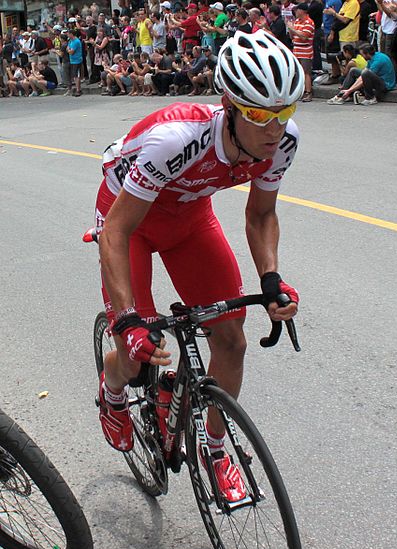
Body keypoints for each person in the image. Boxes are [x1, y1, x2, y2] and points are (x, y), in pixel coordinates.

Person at [94, 30, 303, 502]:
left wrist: (270, 277)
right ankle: (111, 395)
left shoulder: (282, 142)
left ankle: (215, 449)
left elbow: (261, 213)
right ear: (229, 106)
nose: (276, 129)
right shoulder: (177, 140)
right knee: (136, 350)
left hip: (189, 219)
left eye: (287, 112)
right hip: (131, 223)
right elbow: (117, 232)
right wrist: (128, 321)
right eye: (261, 115)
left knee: (231, 339)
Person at [328, 43, 396, 103]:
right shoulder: (372, 57)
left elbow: (364, 78)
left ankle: (370, 98)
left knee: (365, 73)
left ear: (367, 54)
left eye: (362, 54)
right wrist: (349, 90)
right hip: (377, 78)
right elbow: (361, 77)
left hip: (386, 85)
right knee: (353, 70)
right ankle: (341, 95)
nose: (362, 57)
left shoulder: (378, 61)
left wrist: (350, 90)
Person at [288, 3, 315, 101]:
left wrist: (292, 29)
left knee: (306, 72)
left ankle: (308, 92)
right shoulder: (297, 21)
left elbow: (304, 37)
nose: (295, 12)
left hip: (305, 50)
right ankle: (300, 91)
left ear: (302, 11)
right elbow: (292, 37)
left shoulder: (309, 22)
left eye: (297, 10)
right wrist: (290, 29)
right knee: (298, 72)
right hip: (296, 49)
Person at [67, 29, 83, 96]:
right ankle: (77, 88)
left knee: (77, 76)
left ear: (71, 34)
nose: (67, 35)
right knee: (74, 75)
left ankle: (78, 90)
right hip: (72, 60)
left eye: (68, 33)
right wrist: (69, 50)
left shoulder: (76, 41)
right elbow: (68, 48)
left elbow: (71, 51)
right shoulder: (70, 41)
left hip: (77, 60)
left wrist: (69, 50)